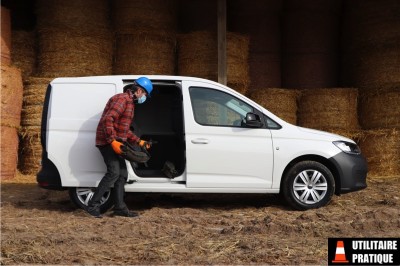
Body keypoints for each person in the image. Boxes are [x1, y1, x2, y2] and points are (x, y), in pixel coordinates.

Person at [85, 77, 153, 218]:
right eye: (145, 94)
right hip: (107, 143)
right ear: (139, 90)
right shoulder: (122, 100)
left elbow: (123, 129)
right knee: (114, 173)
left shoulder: (129, 103)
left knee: (122, 174)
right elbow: (108, 119)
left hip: (116, 143)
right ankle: (92, 206)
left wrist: (138, 141)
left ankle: (120, 208)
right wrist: (112, 141)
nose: (144, 97)